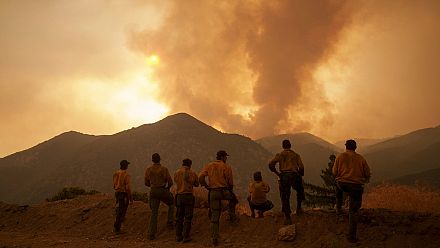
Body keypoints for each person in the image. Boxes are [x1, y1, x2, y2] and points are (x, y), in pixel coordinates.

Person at [332, 139, 371, 243]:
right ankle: (352, 236)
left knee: (337, 187)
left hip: (342, 184)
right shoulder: (361, 158)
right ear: (355, 147)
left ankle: (339, 210)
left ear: (346, 147)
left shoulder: (340, 157)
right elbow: (367, 174)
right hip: (356, 186)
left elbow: (334, 172)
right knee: (353, 212)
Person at [199, 150, 238, 246]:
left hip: (213, 192)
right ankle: (232, 215)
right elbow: (230, 182)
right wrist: (230, 192)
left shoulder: (209, 165)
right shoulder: (226, 166)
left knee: (215, 215)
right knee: (234, 200)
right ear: (222, 157)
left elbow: (200, 176)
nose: (226, 159)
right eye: (225, 157)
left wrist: (206, 186)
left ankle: (214, 238)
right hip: (224, 191)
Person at [268, 139, 305, 225]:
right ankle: (299, 208)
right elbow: (302, 167)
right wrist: (300, 175)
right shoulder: (296, 155)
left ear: (283, 146)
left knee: (285, 196)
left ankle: (287, 217)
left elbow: (270, 164)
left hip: (284, 176)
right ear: (290, 145)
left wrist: (277, 173)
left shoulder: (280, 155)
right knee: (300, 190)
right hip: (294, 175)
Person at [144, 153, 174, 240]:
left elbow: (146, 183)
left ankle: (151, 234)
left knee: (154, 212)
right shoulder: (164, 169)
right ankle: (170, 221)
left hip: (153, 191)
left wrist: (152, 186)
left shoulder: (148, 169)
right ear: (160, 159)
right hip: (162, 189)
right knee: (172, 203)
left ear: (152, 160)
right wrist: (167, 188)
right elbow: (170, 182)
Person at [174, 158, 199, 243]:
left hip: (179, 196)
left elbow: (176, 182)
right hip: (188, 196)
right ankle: (186, 236)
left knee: (179, 217)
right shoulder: (192, 173)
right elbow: (196, 184)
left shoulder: (177, 172)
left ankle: (178, 236)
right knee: (188, 217)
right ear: (190, 164)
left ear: (182, 164)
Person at [112, 159, 133, 234]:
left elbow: (114, 185)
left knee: (119, 209)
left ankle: (118, 226)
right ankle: (117, 228)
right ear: (126, 166)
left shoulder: (116, 173)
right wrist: (130, 198)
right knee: (122, 211)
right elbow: (128, 188)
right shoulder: (126, 175)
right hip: (123, 194)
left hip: (117, 193)